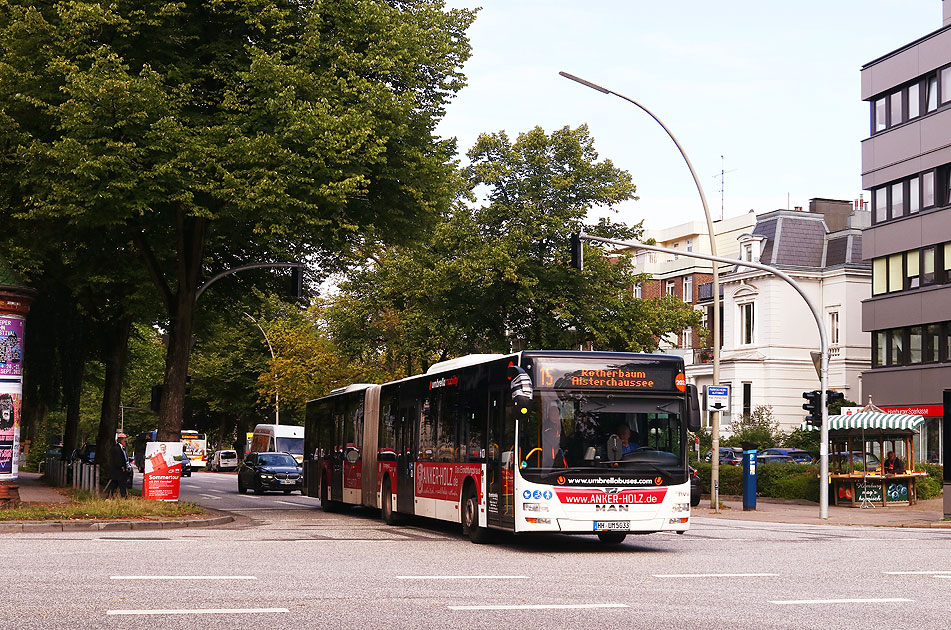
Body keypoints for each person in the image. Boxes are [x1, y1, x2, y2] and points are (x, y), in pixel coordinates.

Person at [541, 404, 566, 468]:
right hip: (548, 458)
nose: (555, 417)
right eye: (553, 415)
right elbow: (554, 442)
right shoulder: (546, 426)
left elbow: (563, 440)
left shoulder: (559, 426)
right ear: (549, 415)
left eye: (557, 415)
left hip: (558, 456)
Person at [107, 433, 130, 498]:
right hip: (118, 470)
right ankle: (124, 497)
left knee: (115, 484)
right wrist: (121, 466)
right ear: (121, 440)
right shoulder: (116, 448)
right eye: (124, 440)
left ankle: (110, 496)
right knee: (121, 484)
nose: (125, 441)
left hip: (119, 471)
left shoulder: (122, 448)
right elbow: (117, 459)